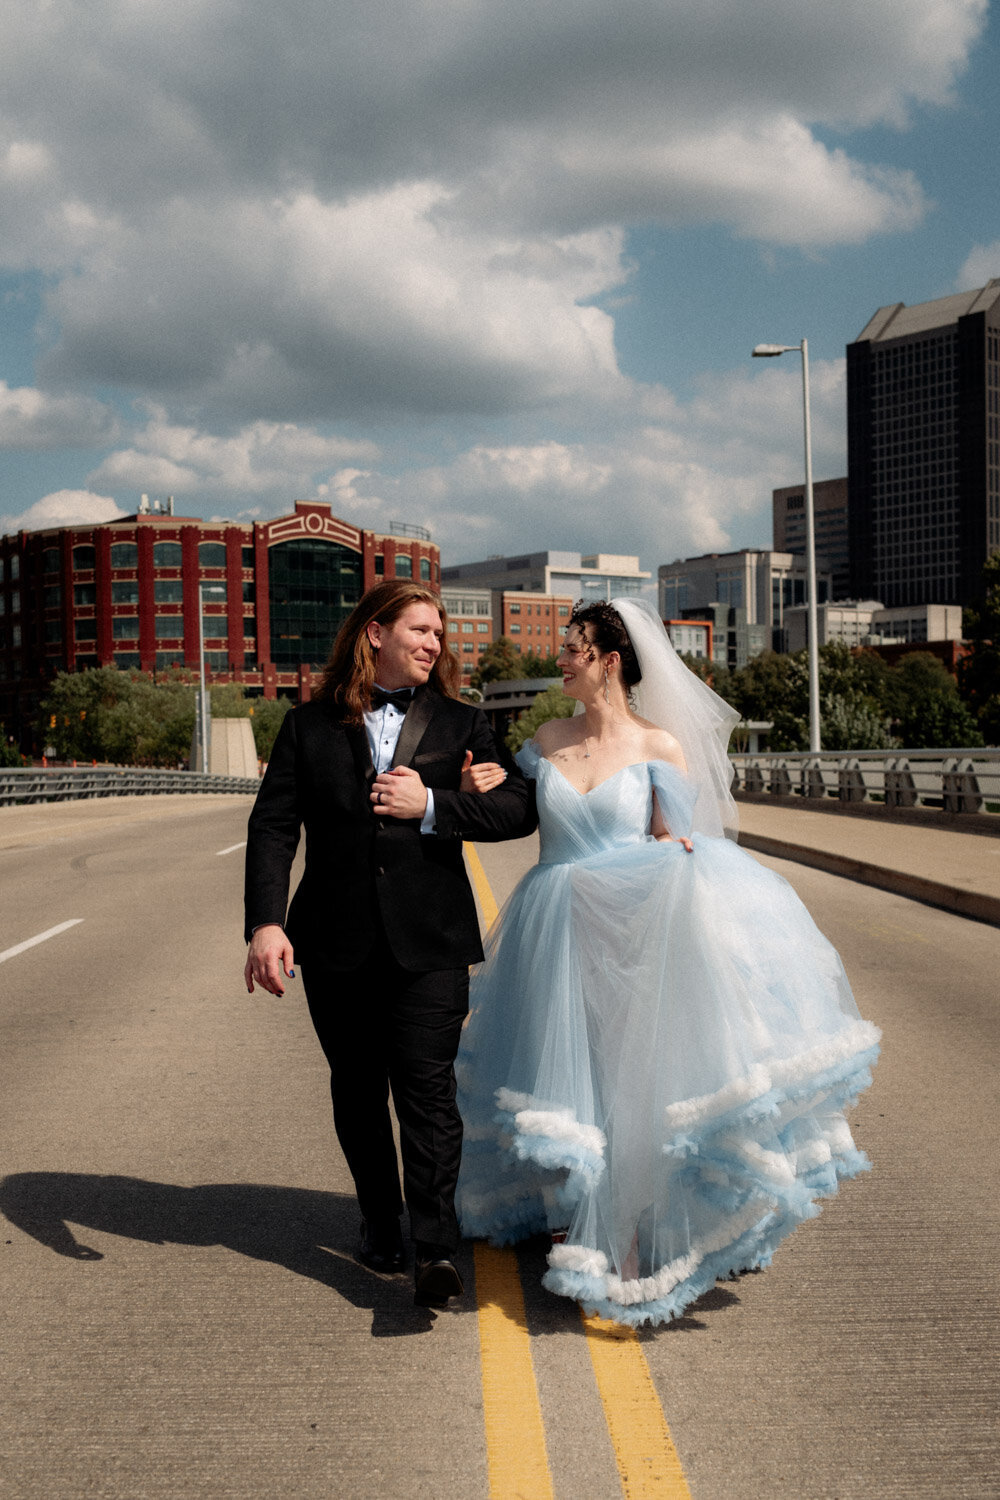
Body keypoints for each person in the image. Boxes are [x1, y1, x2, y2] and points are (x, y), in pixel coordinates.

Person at [456, 597, 880, 1328]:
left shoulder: (660, 747)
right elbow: (518, 808)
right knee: (565, 1075)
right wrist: (478, 790)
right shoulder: (546, 737)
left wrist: (674, 850)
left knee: (628, 1081)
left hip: (631, 934)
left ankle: (625, 1234)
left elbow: (674, 844)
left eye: (571, 647)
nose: (559, 658)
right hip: (552, 928)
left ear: (608, 661)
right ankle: (577, 1214)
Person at [243, 580, 535, 1309]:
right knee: (358, 1092)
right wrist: (267, 923)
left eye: (439, 633)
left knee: (429, 1095)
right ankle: (380, 1215)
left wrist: (440, 803)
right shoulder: (306, 725)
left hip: (430, 942)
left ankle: (434, 1250)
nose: (435, 643)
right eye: (421, 629)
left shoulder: (465, 722)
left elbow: (516, 811)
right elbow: (274, 827)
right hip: (334, 942)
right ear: (375, 634)